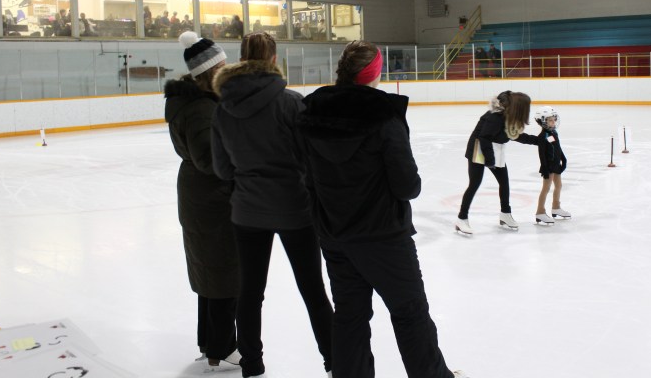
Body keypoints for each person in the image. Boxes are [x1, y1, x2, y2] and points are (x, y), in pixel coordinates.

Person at [297, 40, 470, 378]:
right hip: (384, 237)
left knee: (350, 315)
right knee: (410, 312)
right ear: (375, 73)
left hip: (335, 234)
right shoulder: (384, 116)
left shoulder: (312, 112)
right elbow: (407, 185)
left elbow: (308, 177)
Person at [211, 32, 333, 378]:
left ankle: (252, 363)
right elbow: (310, 160)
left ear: (240, 59)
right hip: (295, 209)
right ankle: (334, 360)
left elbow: (222, 168)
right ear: (274, 60)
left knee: (249, 292)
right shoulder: (292, 103)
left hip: (247, 212)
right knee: (313, 289)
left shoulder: (223, 108)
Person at [164, 32, 240, 371]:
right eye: (222, 66)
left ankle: (211, 341)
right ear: (210, 71)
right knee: (222, 274)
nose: (227, 69)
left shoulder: (199, 103)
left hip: (202, 197)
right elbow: (211, 161)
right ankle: (223, 346)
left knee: (211, 274)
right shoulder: (200, 109)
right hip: (210, 201)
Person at [455, 91, 537, 235]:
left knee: (504, 182)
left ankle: (505, 214)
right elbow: (484, 137)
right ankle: (461, 219)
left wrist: (539, 141)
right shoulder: (496, 117)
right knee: (474, 183)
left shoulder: (508, 117)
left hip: (494, 148)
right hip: (478, 149)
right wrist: (490, 160)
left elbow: (514, 135)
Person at [533, 106, 570, 225]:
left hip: (556, 165)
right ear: (542, 122)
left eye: (554, 119)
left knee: (559, 185)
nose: (553, 122)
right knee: (546, 188)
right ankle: (540, 212)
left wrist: (563, 159)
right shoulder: (543, 136)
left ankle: (556, 207)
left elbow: (557, 147)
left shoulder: (554, 133)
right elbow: (541, 153)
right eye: (550, 120)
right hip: (548, 166)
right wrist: (544, 166)